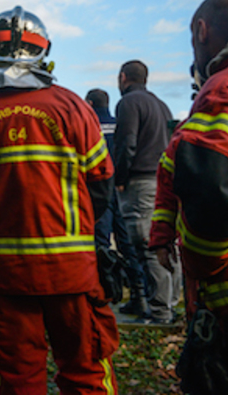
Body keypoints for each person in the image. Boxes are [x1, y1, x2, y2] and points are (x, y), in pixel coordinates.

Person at [0, 6, 118, 394]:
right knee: (86, 370)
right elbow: (102, 185)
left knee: (16, 377)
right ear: (45, 50)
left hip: (1, 272)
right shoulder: (73, 107)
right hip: (71, 271)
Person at [150, 0, 228, 387]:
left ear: (202, 31)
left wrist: (201, 267)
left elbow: (210, 191)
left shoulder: (223, 91)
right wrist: (162, 233)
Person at [113, 59, 177, 323]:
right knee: (164, 244)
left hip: (140, 182)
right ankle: (167, 304)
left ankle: (160, 311)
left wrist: (120, 177)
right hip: (163, 180)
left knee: (145, 245)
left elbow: (127, 142)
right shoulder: (161, 105)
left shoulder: (128, 103)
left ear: (123, 77)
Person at [87, 88, 144, 310]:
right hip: (121, 186)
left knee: (100, 241)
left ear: (90, 104)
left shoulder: (89, 126)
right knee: (127, 241)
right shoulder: (119, 125)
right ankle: (138, 292)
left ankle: (102, 291)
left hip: (99, 189)